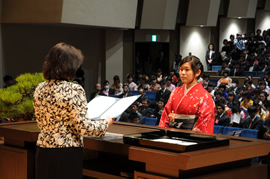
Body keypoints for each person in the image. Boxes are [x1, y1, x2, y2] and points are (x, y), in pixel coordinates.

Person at [33, 42, 114, 179]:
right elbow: (84, 127)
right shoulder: (73, 90)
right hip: (65, 153)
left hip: (43, 151)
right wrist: (106, 122)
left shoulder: (40, 88)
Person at [159, 55, 215, 133]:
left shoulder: (205, 96)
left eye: (187, 70)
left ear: (197, 72)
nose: (182, 73)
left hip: (191, 138)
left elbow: (204, 124)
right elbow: (165, 115)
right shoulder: (175, 92)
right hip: (170, 135)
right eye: (181, 69)